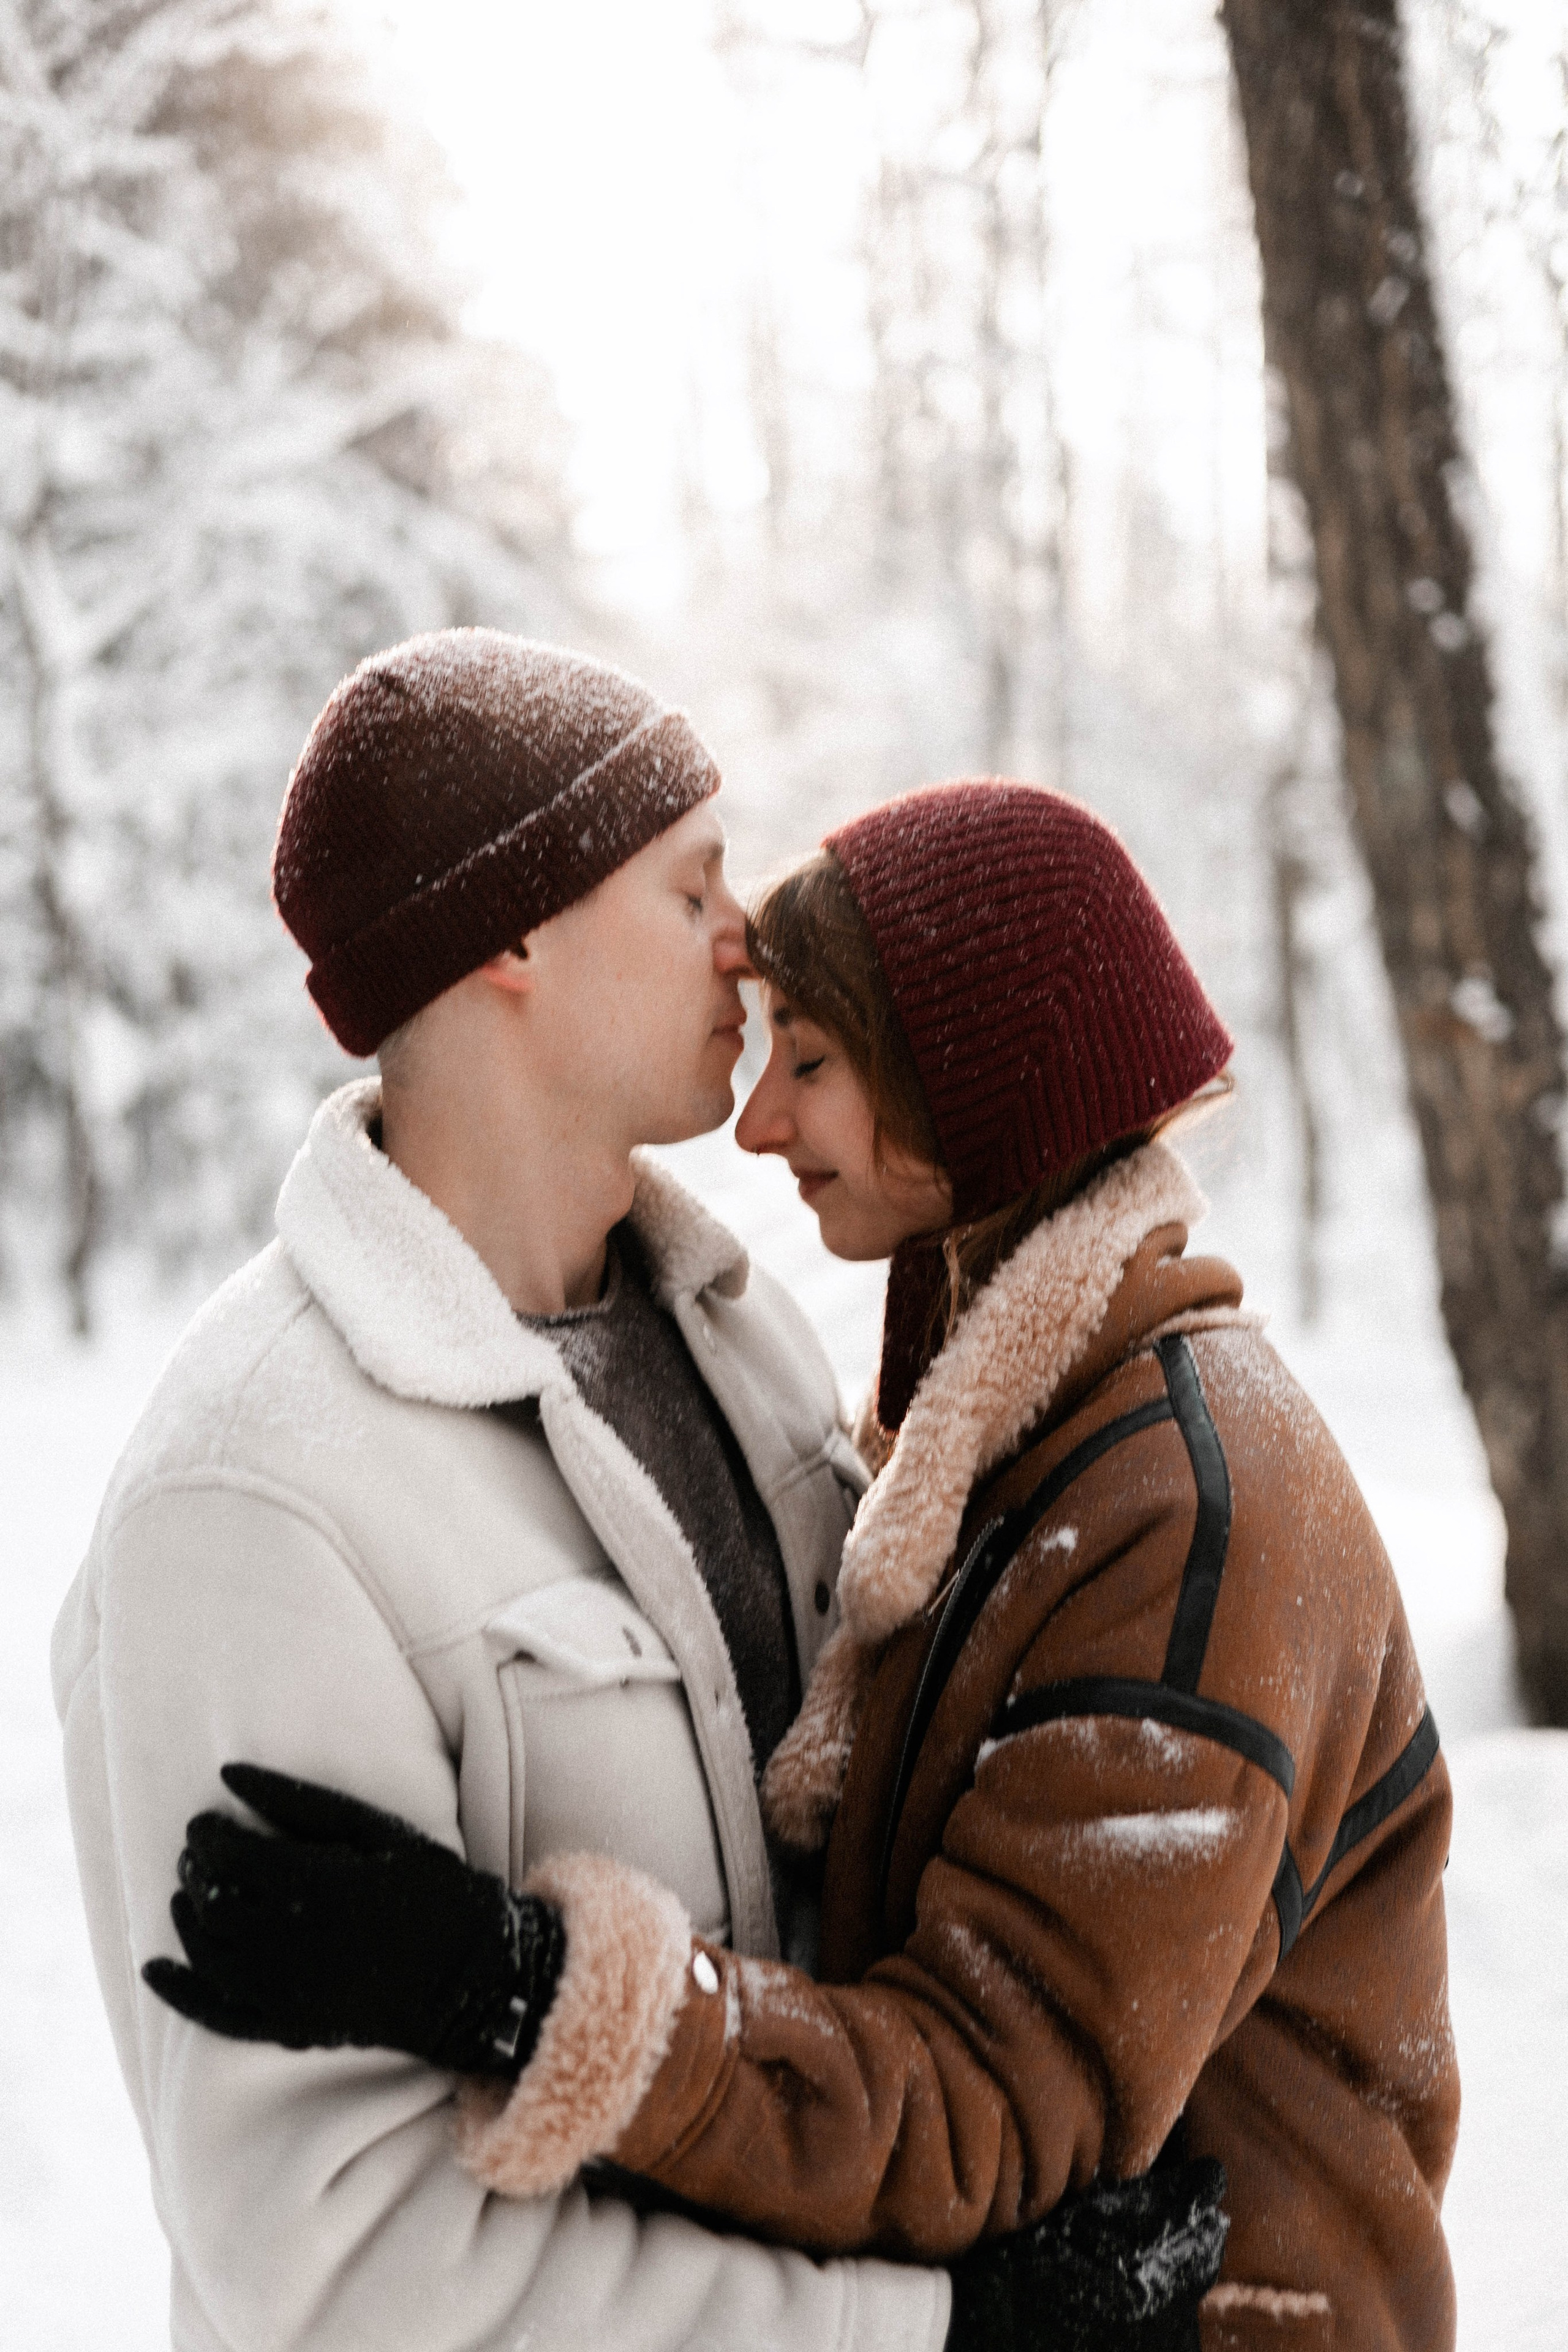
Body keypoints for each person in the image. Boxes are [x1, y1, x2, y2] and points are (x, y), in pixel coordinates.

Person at [149, 782, 1460, 2352]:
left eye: (816, 1063)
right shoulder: (995, 1436)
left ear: (973, 1091)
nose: (760, 1120)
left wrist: (522, 1987)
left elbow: (981, 2101)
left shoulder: (1187, 1517)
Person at [53, 632, 960, 2352]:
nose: (745, 938)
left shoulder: (735, 1341)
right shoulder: (255, 1499)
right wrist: (927, 2329)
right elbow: (343, 2271)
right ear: (515, 934)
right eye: (691, 886)